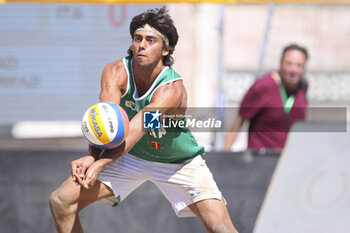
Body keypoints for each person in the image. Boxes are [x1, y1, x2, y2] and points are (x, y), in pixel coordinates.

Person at [49, 7, 238, 233]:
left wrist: (99, 162)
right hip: (130, 155)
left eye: (151, 40)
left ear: (165, 50)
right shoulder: (114, 72)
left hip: (177, 162)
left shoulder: (171, 90)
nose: (142, 45)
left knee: (222, 229)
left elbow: (135, 130)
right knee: (60, 201)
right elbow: (105, 124)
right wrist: (91, 156)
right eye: (138, 39)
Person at [223, 44, 309, 152]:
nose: (293, 70)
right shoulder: (263, 86)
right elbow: (239, 120)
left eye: (299, 65)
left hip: (289, 158)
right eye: (289, 64)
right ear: (280, 63)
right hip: (261, 159)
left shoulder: (303, 86)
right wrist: (225, 153)